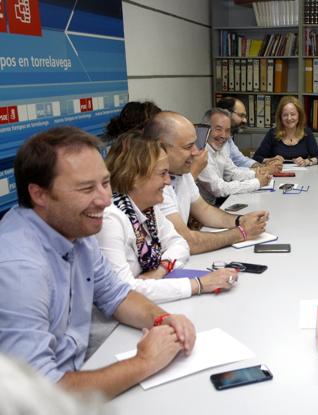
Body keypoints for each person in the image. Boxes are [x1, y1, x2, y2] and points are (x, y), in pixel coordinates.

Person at [0, 127, 196, 398]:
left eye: (105, 183)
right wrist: (145, 362)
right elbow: (37, 393)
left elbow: (117, 296)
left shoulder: (76, 228)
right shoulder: (19, 267)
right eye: (86, 188)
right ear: (39, 194)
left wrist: (162, 319)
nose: (105, 200)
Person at [96, 131, 239, 303]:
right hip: (114, 327)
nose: (168, 182)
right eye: (162, 174)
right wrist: (198, 285)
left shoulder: (149, 209)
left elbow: (179, 243)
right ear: (134, 176)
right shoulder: (110, 219)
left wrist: (160, 270)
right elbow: (125, 290)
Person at [143, 111, 269, 255]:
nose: (196, 152)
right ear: (160, 148)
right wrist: (241, 232)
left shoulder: (181, 172)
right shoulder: (154, 184)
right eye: (188, 147)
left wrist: (241, 220)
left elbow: (204, 210)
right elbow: (187, 241)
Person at [197, 108, 272, 205]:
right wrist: (257, 183)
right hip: (202, 211)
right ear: (205, 129)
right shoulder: (200, 152)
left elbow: (232, 173)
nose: (223, 135)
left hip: (215, 203)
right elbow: (219, 188)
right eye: (218, 129)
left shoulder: (221, 147)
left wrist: (257, 174)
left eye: (227, 130)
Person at [214, 97, 282, 174]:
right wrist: (265, 170)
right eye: (241, 115)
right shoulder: (214, 139)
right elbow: (229, 173)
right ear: (225, 114)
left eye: (245, 116)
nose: (245, 120)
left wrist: (263, 166)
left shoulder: (228, 139)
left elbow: (241, 160)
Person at [252, 96, 318, 167]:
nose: (289, 118)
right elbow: (256, 157)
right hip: (277, 174)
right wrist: (270, 160)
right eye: (285, 115)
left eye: (293, 114)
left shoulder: (307, 133)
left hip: (302, 175)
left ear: (299, 115)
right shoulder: (273, 133)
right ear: (280, 117)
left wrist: (306, 161)